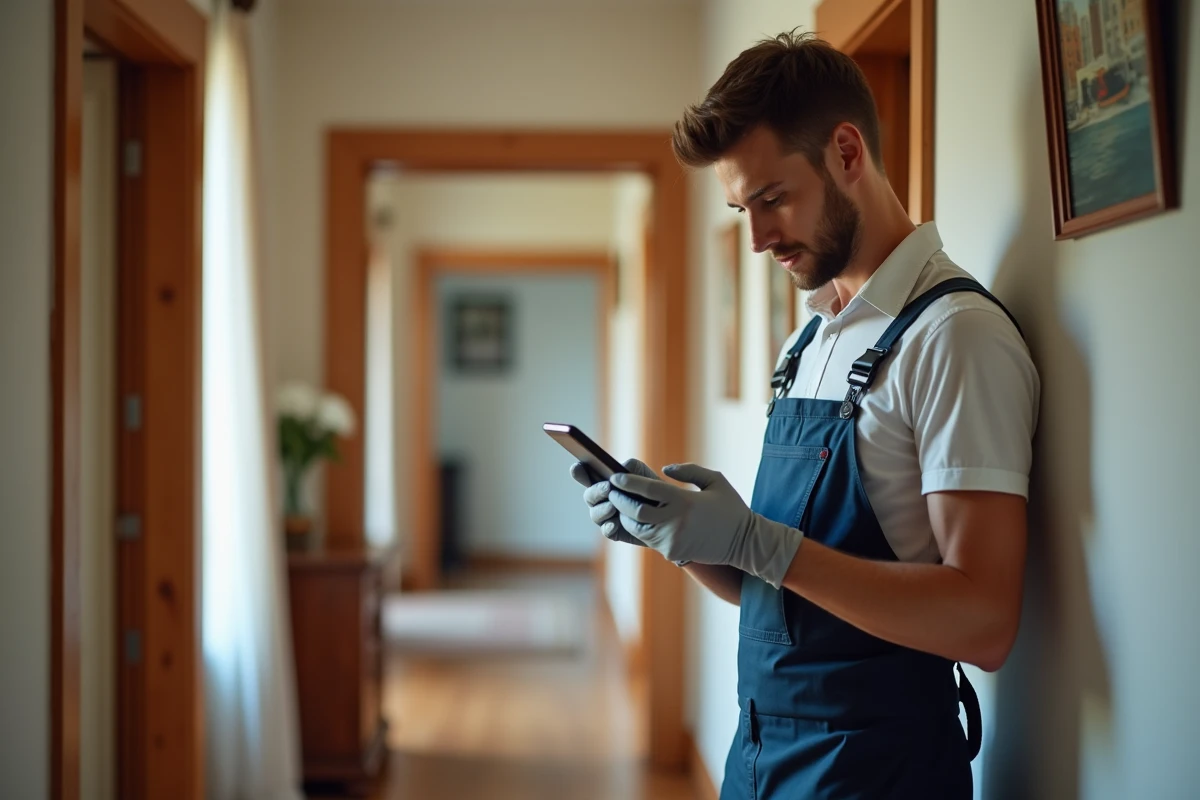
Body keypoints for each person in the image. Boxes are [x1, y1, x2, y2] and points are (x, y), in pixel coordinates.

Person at [570, 30, 1040, 799]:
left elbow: (983, 622)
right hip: (761, 756)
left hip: (875, 771)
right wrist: (684, 539)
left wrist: (755, 539)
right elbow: (790, 595)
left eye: (772, 199)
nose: (757, 239)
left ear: (847, 153)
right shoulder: (809, 341)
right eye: (741, 209)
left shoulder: (954, 337)